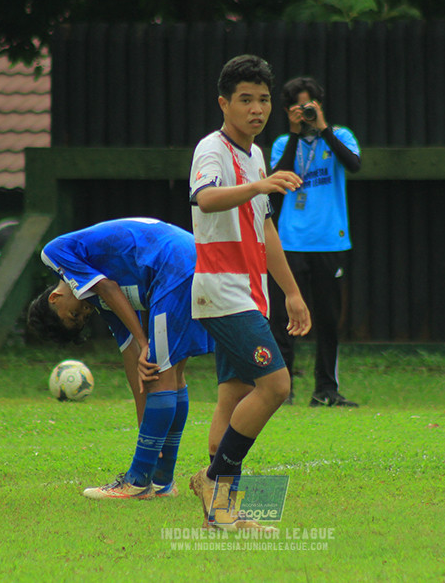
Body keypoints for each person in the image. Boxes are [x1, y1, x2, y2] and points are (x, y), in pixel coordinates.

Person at [187, 54, 312, 531]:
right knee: (276, 386)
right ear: (224, 103)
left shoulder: (255, 154)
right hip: (222, 293)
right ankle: (218, 493)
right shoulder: (212, 150)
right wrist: (258, 184)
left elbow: (264, 227)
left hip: (251, 292)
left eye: (262, 100)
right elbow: (205, 197)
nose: (256, 109)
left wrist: (292, 293)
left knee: (232, 395)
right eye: (245, 100)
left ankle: (219, 503)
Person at [26, 217, 213, 500]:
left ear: (55, 298)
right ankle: (161, 481)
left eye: (73, 315)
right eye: (80, 320)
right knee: (171, 375)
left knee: (161, 373)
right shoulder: (102, 298)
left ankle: (137, 483)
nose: (84, 314)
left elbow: (109, 288)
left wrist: (143, 341)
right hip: (190, 260)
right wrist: (146, 429)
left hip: (174, 264)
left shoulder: (54, 253)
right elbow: (131, 362)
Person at [268, 76, 361, 408]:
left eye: (309, 106)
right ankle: (282, 390)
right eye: (297, 108)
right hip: (291, 242)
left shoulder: (340, 137)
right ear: (286, 111)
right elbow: (277, 179)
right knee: (283, 319)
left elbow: (353, 164)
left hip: (330, 243)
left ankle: (326, 390)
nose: (304, 113)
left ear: (319, 106)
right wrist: (295, 134)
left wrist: (323, 129)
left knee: (327, 319)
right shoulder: (282, 143)